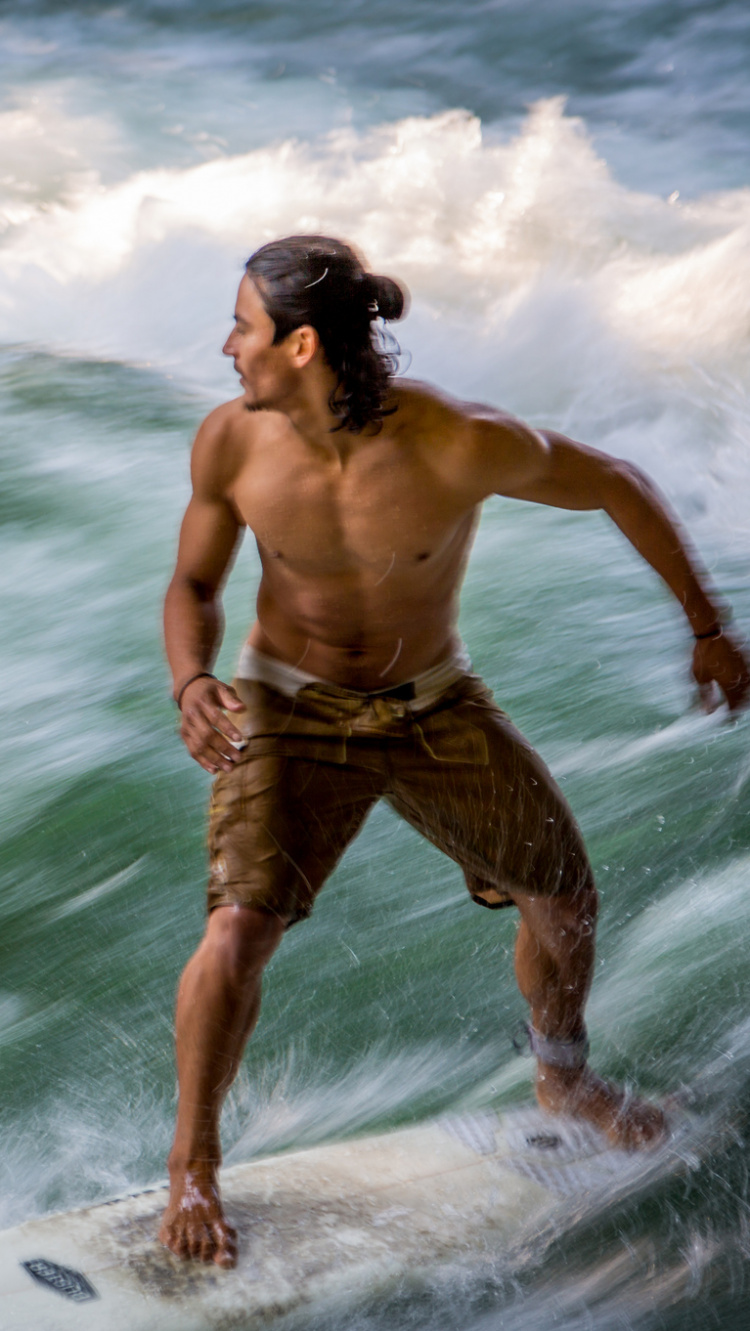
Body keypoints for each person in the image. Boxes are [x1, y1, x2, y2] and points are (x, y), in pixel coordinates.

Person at [159, 234, 750, 1268]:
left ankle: (563, 1073)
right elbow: (194, 586)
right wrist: (192, 678)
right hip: (286, 707)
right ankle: (192, 1168)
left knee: (563, 893)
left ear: (302, 347)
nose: (225, 345)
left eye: (243, 328)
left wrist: (708, 624)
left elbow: (614, 481)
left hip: (433, 705)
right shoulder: (230, 443)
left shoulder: (457, 441)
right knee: (238, 929)